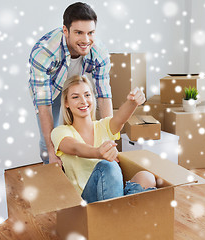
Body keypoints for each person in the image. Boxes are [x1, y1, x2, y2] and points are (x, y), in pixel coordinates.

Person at [28, 2, 112, 166]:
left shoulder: (99, 52)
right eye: (79, 33)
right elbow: (43, 105)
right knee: (49, 143)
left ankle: (78, 174)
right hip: (49, 90)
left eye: (90, 33)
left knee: (80, 135)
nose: (86, 40)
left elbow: (104, 96)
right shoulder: (43, 52)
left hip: (74, 88)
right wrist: (52, 154)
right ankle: (51, 170)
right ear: (65, 30)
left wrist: (109, 144)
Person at [51, 75, 156, 203]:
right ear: (66, 103)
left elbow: (120, 119)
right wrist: (98, 152)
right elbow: (75, 148)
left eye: (87, 95)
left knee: (146, 177)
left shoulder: (103, 126)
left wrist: (132, 102)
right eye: (75, 97)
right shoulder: (60, 131)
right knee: (108, 165)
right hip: (86, 202)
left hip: (112, 196)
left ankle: (121, 215)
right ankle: (120, 214)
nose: (83, 101)